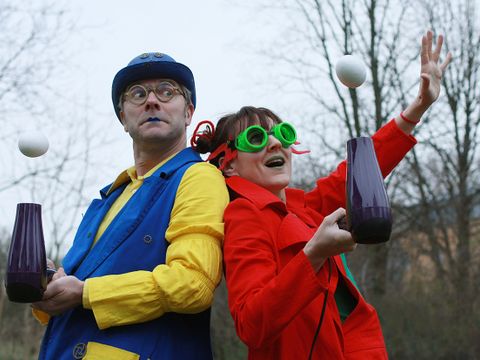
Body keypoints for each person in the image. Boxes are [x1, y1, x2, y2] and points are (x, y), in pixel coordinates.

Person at [191, 31, 452, 359]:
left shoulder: (305, 208)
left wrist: (419, 106)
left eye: (282, 134)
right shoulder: (244, 216)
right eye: (256, 138)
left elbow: (359, 171)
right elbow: (251, 323)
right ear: (229, 166)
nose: (276, 144)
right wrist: (313, 254)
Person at [31, 52, 229, 359]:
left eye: (167, 91)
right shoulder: (109, 197)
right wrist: (48, 287)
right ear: (123, 118)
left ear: (189, 112)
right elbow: (72, 283)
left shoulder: (198, 177)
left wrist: (84, 293)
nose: (152, 101)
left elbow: (192, 284)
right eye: (137, 94)